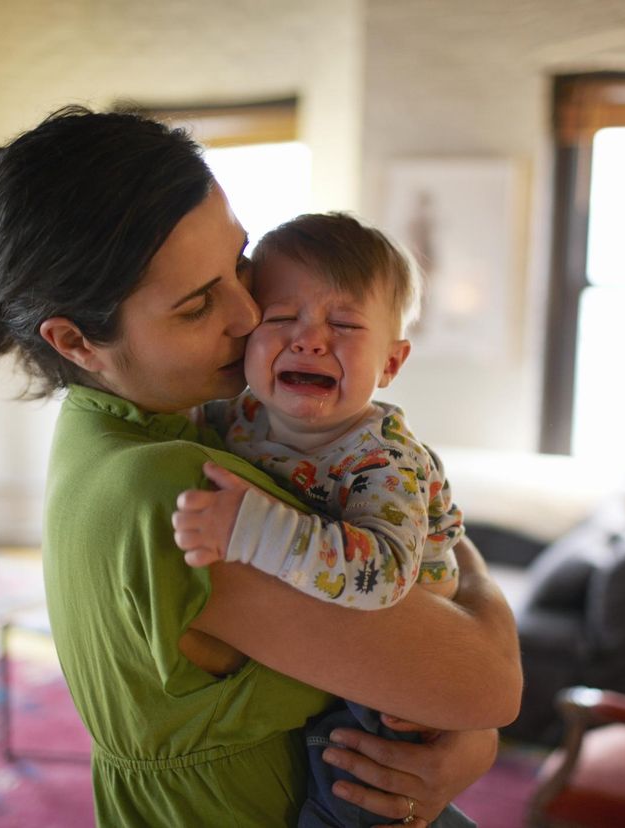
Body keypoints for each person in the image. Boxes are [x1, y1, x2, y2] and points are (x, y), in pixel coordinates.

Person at [0, 105, 521, 827]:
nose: (249, 314)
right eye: (199, 303)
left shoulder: (147, 426)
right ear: (77, 340)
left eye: (238, 264)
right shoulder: (180, 493)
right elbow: (487, 684)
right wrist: (473, 711)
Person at [172, 212, 476, 827]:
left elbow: (384, 576)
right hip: (315, 643)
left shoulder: (384, 460)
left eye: (344, 324)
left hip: (392, 670)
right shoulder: (236, 417)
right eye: (280, 318)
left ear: (390, 364)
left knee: (358, 792)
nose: (310, 340)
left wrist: (251, 529)